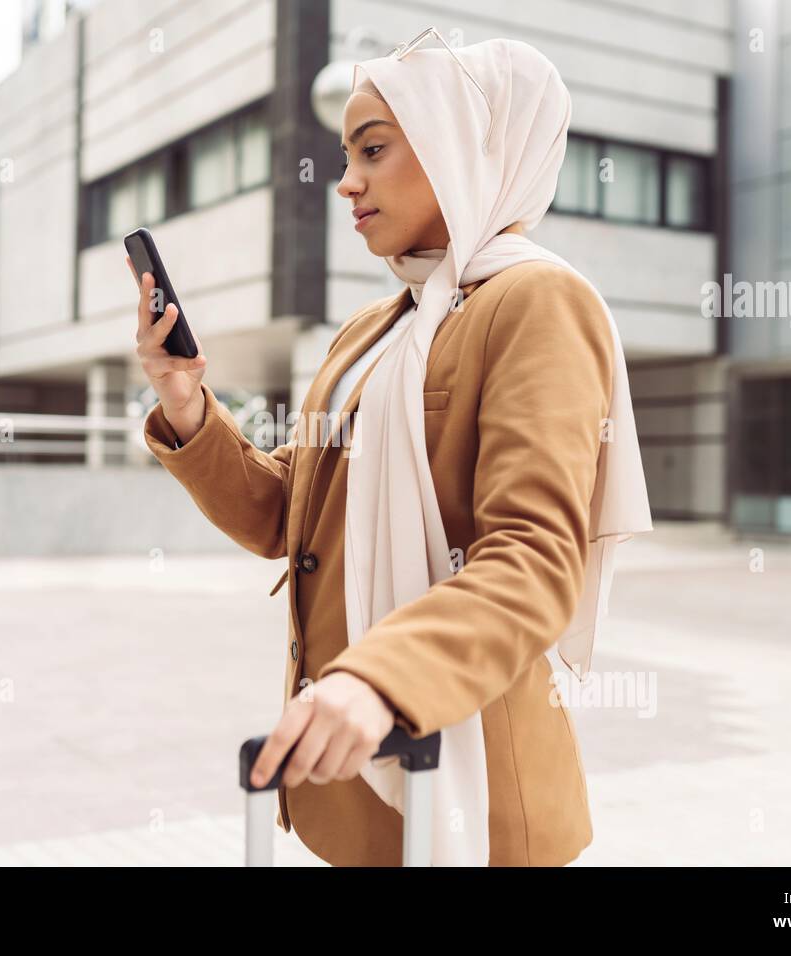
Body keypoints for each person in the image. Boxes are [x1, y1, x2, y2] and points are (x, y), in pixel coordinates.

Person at [130, 31, 652, 866]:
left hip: (468, 790)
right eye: (346, 155)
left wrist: (377, 679)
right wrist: (187, 404)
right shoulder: (374, 332)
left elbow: (532, 558)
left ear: (459, 149)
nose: (346, 181)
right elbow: (287, 517)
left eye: (374, 149)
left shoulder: (537, 302)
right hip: (348, 781)